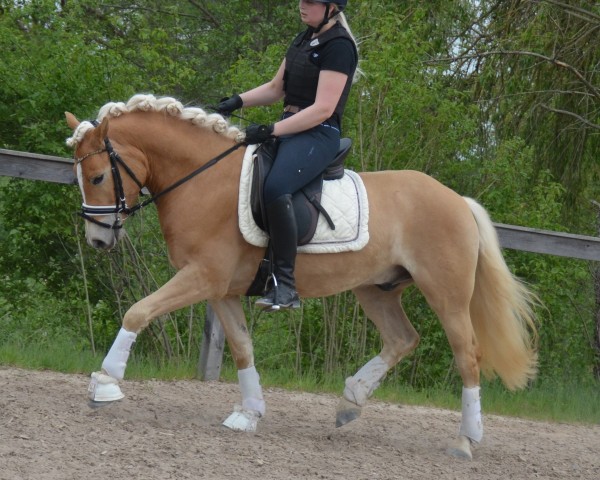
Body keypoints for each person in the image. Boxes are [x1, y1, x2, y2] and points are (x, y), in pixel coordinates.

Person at [217, 0, 359, 311]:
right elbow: (275, 88)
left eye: (310, 2)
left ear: (332, 7)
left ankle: (285, 285)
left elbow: (323, 109)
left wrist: (270, 130)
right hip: (290, 128)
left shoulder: (340, 47)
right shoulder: (303, 39)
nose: (301, 6)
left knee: (275, 187)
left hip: (318, 134)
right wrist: (235, 102)